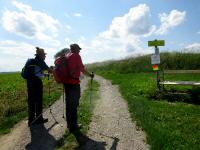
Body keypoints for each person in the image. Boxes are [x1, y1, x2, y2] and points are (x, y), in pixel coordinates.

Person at [63, 43, 94, 132]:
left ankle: (70, 124)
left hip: (66, 83)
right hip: (73, 83)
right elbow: (82, 69)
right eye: (79, 49)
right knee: (74, 104)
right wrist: (90, 75)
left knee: (69, 104)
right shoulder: (76, 56)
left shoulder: (67, 56)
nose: (79, 51)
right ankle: (74, 126)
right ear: (75, 49)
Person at [26, 47, 52, 126]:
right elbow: (50, 70)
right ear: (40, 55)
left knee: (31, 101)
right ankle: (39, 119)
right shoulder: (40, 61)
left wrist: (45, 74)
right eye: (44, 55)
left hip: (29, 82)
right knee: (38, 100)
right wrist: (52, 70)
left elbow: (37, 73)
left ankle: (31, 120)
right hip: (36, 83)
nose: (45, 56)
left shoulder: (31, 61)